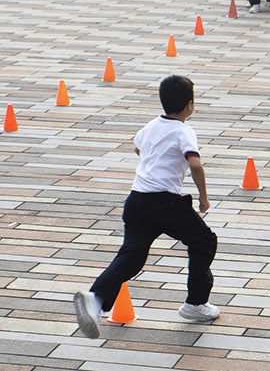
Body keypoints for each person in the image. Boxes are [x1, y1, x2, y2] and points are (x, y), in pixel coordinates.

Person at [74, 75, 220, 339]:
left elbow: (138, 146)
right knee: (204, 241)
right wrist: (203, 198)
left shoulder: (152, 126)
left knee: (132, 255)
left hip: (137, 200)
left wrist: (156, 164)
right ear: (190, 105)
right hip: (164, 201)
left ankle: (94, 299)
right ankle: (196, 304)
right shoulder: (183, 130)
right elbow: (195, 164)